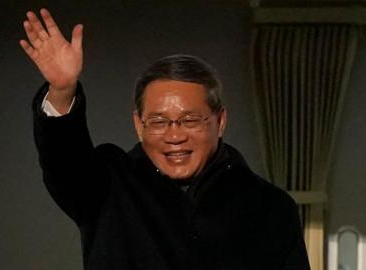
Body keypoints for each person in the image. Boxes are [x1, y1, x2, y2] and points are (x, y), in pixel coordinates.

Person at [21, 8, 310, 270]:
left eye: (190, 120)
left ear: (220, 121)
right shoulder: (108, 186)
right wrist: (62, 90)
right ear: (139, 124)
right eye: (158, 122)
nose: (174, 136)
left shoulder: (269, 208)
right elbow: (64, 163)